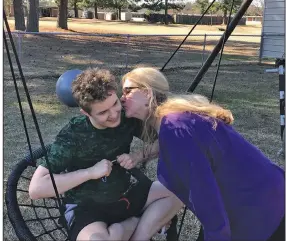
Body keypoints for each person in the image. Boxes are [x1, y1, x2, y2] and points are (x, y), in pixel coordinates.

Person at [120, 67, 285, 241]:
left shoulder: (175, 128)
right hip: (266, 197)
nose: (122, 98)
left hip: (259, 209)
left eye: (127, 91)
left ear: (147, 92)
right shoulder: (176, 119)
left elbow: (203, 193)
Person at [29, 68, 182, 241]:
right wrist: (89, 173)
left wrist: (138, 155)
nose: (114, 115)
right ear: (86, 113)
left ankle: (137, 235)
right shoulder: (73, 134)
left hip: (124, 197)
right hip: (86, 207)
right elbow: (36, 189)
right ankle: (135, 222)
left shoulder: (126, 117)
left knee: (180, 189)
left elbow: (166, 140)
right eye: (102, 112)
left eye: (115, 104)